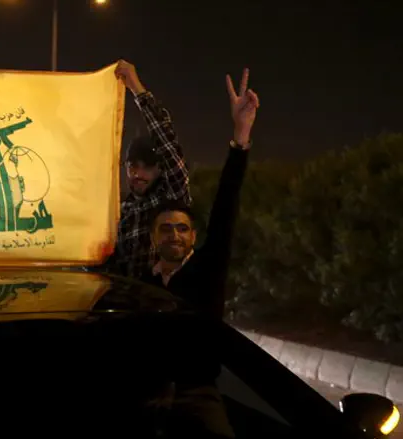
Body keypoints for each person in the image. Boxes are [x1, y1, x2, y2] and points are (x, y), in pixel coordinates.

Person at [141, 68, 259, 439]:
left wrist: (240, 137)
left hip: (198, 396)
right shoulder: (141, 284)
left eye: (182, 228)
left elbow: (226, 205)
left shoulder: (207, 269)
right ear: (152, 237)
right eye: (166, 228)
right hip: (144, 395)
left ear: (193, 236)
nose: (174, 235)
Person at [100, 60, 191, 279]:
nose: (138, 175)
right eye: (133, 167)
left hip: (164, 301)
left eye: (147, 167)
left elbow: (167, 142)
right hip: (129, 306)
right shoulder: (121, 212)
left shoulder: (171, 197)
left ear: (159, 169)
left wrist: (136, 87)